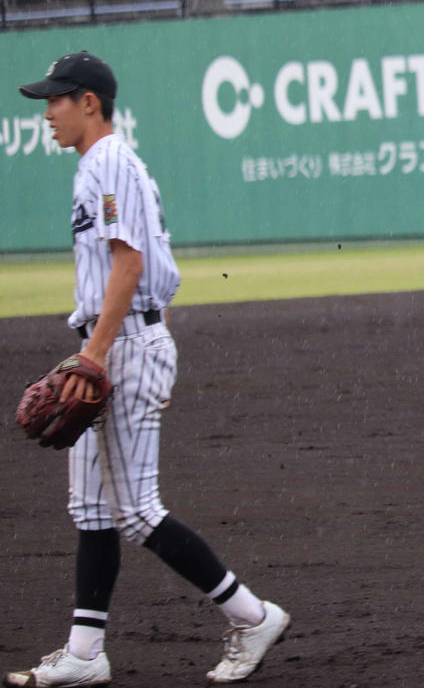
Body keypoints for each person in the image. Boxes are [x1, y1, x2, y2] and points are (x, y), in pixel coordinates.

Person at [6, 52, 289, 687]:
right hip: (110, 342)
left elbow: (128, 265)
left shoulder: (107, 161)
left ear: (89, 103)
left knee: (135, 510)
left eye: (56, 99)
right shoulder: (97, 164)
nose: (46, 112)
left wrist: (92, 357)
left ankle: (252, 615)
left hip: (124, 346)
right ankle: (84, 654)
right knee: (93, 510)